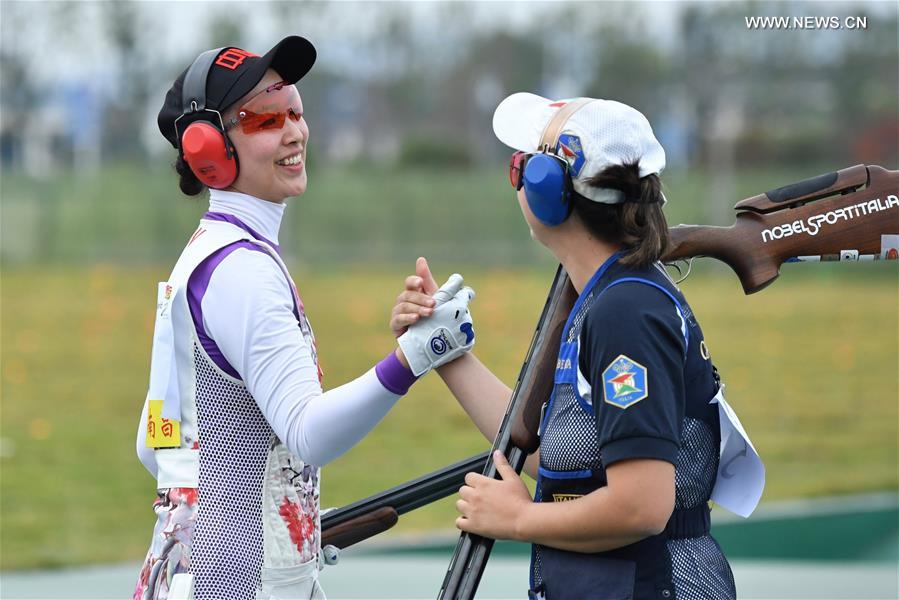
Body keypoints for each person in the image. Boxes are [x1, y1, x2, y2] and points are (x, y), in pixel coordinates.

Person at [134, 37, 476, 600]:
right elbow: (308, 432)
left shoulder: (208, 253)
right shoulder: (245, 272)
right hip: (238, 583)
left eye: (295, 110)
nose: (294, 131)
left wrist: (280, 505)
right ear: (209, 149)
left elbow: (156, 444)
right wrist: (414, 357)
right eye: (266, 118)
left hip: (190, 572)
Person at [392, 93, 763, 599]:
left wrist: (519, 519)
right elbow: (564, 461)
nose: (517, 179)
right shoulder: (606, 298)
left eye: (520, 167)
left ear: (549, 190)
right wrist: (445, 351)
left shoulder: (624, 311)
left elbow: (641, 505)